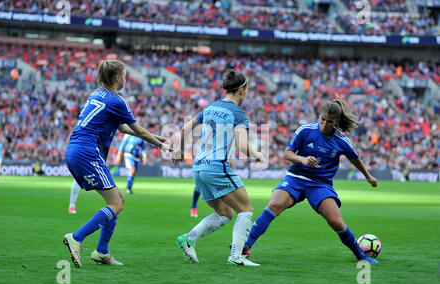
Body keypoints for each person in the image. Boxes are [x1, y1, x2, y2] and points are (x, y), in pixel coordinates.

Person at [63, 59, 172, 268]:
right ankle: (76, 238)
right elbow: (139, 130)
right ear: (116, 77)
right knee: (116, 204)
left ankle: (102, 252)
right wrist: (161, 145)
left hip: (75, 150)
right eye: (124, 75)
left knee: (117, 200)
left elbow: (123, 128)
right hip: (88, 153)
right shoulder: (116, 100)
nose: (126, 78)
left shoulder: (96, 95)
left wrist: (158, 138)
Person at [244, 98, 379, 264]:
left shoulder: (342, 141)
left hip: (320, 183)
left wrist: (368, 176)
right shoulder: (306, 130)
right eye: (322, 119)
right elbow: (287, 153)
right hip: (296, 178)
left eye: (329, 122)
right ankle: (246, 245)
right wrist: (302, 159)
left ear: (336, 122)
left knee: (336, 222)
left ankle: (360, 255)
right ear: (319, 116)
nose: (324, 124)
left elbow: (355, 158)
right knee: (274, 205)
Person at [173, 69, 264, 266]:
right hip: (216, 166)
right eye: (247, 89)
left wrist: (179, 151)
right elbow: (241, 146)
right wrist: (257, 154)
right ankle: (236, 256)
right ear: (242, 90)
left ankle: (189, 239)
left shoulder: (210, 107)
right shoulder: (238, 114)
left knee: (225, 213)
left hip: (198, 167)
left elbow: (184, 128)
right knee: (246, 209)